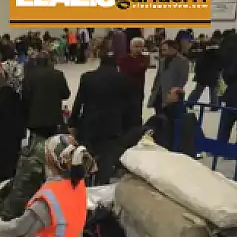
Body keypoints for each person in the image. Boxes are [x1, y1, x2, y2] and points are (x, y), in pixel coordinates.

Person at [69, 53, 135, 184]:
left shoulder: (87, 77)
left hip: (88, 125)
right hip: (111, 127)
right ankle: (100, 190)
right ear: (116, 64)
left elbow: (78, 102)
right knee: (105, 161)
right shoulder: (124, 79)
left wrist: (72, 122)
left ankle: (84, 187)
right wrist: (128, 127)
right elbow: (130, 107)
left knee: (85, 158)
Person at [21, 51, 71, 152]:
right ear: (49, 61)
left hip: (35, 119)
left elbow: (25, 98)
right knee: (53, 149)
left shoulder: (29, 77)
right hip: (54, 119)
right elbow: (66, 94)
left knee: (36, 149)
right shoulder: (58, 74)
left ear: (36, 62)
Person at [149, 40, 190, 119]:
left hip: (172, 96)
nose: (162, 52)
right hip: (159, 95)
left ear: (172, 49)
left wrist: (176, 92)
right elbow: (158, 76)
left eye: (164, 50)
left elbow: (183, 79)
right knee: (159, 118)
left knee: (172, 118)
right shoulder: (162, 60)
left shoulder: (183, 61)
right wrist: (154, 90)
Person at [118, 37, 150, 125]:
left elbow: (141, 69)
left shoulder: (144, 58)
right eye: (136, 46)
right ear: (131, 47)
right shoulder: (124, 59)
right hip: (126, 89)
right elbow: (130, 71)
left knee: (137, 111)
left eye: (141, 47)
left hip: (138, 89)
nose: (139, 49)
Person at [188, 31, 222, 108]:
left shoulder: (204, 49)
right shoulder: (218, 50)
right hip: (213, 73)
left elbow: (199, 61)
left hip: (203, 73)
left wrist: (197, 72)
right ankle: (214, 105)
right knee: (213, 90)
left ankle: (190, 102)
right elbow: (220, 62)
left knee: (198, 90)